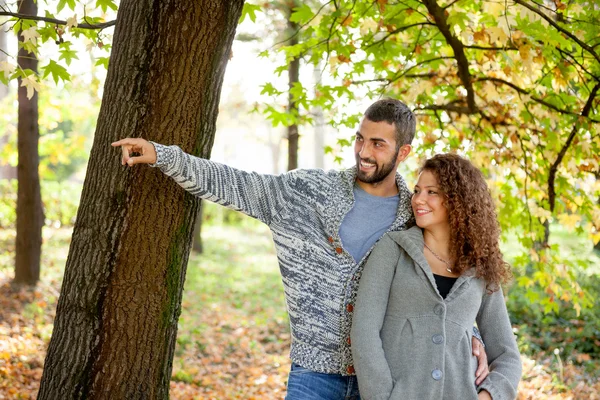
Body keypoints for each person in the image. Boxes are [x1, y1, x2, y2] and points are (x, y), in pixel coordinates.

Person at [111, 99, 489, 400]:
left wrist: (470, 333)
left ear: (403, 152)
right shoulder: (306, 193)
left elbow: (441, 281)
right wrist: (164, 156)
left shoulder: (417, 216)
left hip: (390, 376)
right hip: (313, 375)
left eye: (378, 143)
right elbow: (238, 185)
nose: (364, 151)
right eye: (360, 138)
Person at [351, 153, 522, 400]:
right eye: (417, 190)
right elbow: (364, 333)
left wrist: (488, 395)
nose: (419, 199)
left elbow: (507, 355)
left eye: (432, 192)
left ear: (458, 201)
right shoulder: (393, 249)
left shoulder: (480, 265)